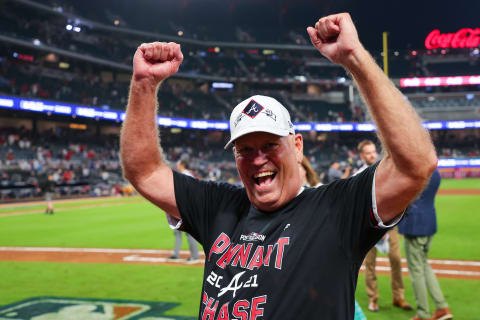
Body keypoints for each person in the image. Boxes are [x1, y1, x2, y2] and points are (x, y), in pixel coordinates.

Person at [120, 13, 437, 319]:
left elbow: (416, 165)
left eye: (271, 145)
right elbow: (145, 172)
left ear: (297, 146)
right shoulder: (219, 206)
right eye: (245, 149)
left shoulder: (337, 209)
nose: (258, 159)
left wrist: (355, 58)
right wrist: (144, 84)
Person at [356, 140, 412, 312]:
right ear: (362, 155)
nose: (372, 155)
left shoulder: (386, 172)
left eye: (373, 151)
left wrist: (389, 225)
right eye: (368, 152)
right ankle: (373, 298)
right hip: (369, 228)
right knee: (370, 265)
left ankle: (398, 296)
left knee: (396, 260)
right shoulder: (358, 176)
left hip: (389, 226)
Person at [398, 169, 453, 320]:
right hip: (429, 221)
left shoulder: (416, 170)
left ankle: (423, 314)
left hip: (415, 224)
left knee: (416, 270)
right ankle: (442, 307)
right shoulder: (434, 170)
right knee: (423, 265)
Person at [169, 159, 200, 262]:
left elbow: (189, 193)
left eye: (178, 164)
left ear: (182, 165)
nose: (177, 165)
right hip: (180, 207)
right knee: (177, 231)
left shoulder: (185, 175)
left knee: (189, 232)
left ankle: (195, 255)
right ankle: (175, 254)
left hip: (186, 208)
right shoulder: (184, 175)